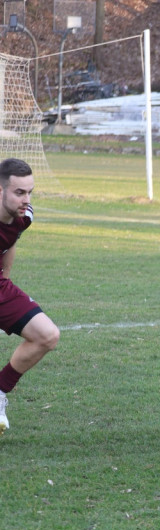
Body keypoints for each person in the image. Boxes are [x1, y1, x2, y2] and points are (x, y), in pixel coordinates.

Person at [0, 159, 60, 435]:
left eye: (29, 192)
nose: (26, 199)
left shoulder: (25, 216)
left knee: (47, 335)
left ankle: (0, 392)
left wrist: (6, 280)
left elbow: (10, 240)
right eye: (19, 192)